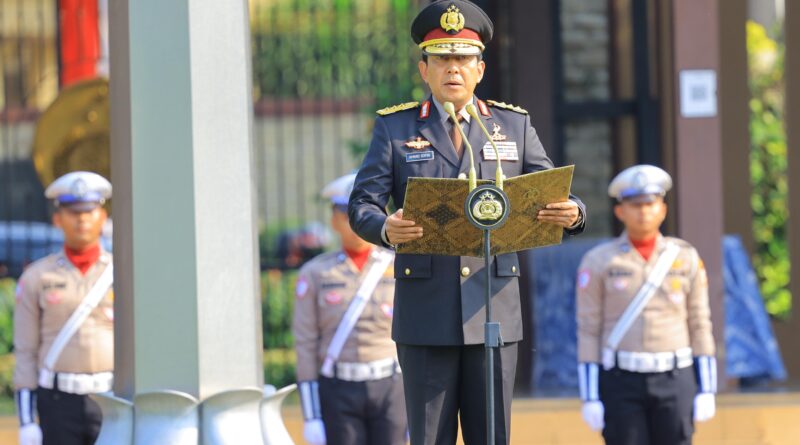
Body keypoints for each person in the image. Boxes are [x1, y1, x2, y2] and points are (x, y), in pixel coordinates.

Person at [348, 2, 586, 443]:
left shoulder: (512, 126)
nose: (452, 69)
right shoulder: (395, 128)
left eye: (462, 59)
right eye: (441, 59)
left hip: (492, 307)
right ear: (424, 68)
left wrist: (573, 212)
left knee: (491, 435)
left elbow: (551, 190)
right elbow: (362, 204)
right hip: (426, 313)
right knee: (429, 436)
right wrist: (385, 228)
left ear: (480, 68)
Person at [576, 165, 717, 445]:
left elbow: (700, 322)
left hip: (675, 375)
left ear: (662, 209)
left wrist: (707, 388)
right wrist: (589, 396)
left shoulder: (685, 257)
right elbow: (588, 328)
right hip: (621, 377)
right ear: (620, 212)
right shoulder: (599, 261)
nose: (643, 211)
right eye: (635, 204)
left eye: (650, 203)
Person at [293, 173, 407, 445]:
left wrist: (419, 407)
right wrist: (311, 416)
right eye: (346, 213)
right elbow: (305, 342)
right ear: (334, 220)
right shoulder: (315, 273)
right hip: (339, 387)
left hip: (391, 385)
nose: (354, 221)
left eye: (364, 212)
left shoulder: (402, 265)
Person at [13, 171, 114, 445]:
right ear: (58, 219)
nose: (82, 219)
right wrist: (26, 421)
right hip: (58, 402)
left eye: (90, 211)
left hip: (112, 399)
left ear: (102, 217)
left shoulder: (123, 273)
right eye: (72, 212)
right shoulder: (37, 276)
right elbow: (25, 351)